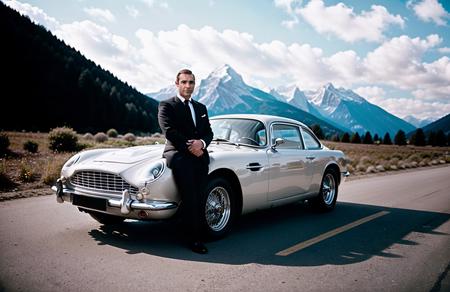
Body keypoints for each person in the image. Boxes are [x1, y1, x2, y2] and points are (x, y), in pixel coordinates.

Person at [158, 69, 214, 254]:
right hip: (179, 154)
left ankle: (197, 230)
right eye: (184, 82)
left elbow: (209, 132)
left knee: (201, 194)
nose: (188, 86)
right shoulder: (167, 105)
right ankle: (193, 239)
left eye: (191, 82)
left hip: (200, 155)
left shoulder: (200, 107)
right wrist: (192, 147)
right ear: (177, 84)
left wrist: (202, 144)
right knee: (190, 196)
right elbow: (169, 131)